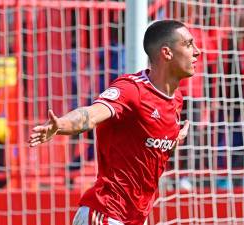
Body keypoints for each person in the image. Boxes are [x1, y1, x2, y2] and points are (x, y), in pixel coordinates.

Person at [28, 20, 200, 225]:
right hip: (106, 214)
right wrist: (61, 125)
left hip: (135, 218)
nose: (197, 51)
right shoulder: (132, 90)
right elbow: (91, 114)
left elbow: (147, 145)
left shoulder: (176, 99)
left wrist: (172, 139)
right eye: (189, 44)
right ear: (167, 53)